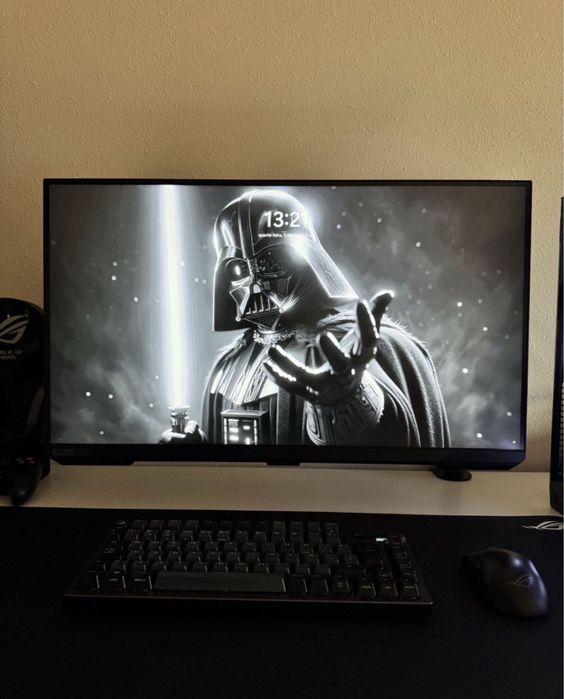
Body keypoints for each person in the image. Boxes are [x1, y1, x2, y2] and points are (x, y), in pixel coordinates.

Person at [161, 189, 450, 447]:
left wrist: (347, 401)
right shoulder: (228, 365)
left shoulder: (348, 344)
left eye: (271, 262)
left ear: (305, 260)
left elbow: (391, 447)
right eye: (238, 269)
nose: (256, 284)